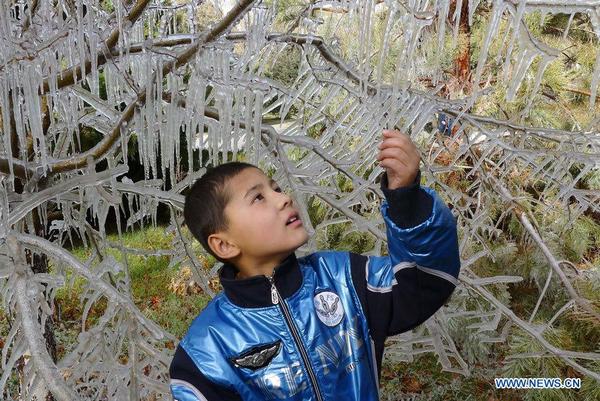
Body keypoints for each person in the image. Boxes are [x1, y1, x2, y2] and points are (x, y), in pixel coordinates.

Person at [169, 129, 461, 401]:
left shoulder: (344, 280)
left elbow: (425, 281)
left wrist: (406, 199)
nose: (283, 199)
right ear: (224, 244)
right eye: (258, 197)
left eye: (277, 188)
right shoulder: (206, 354)